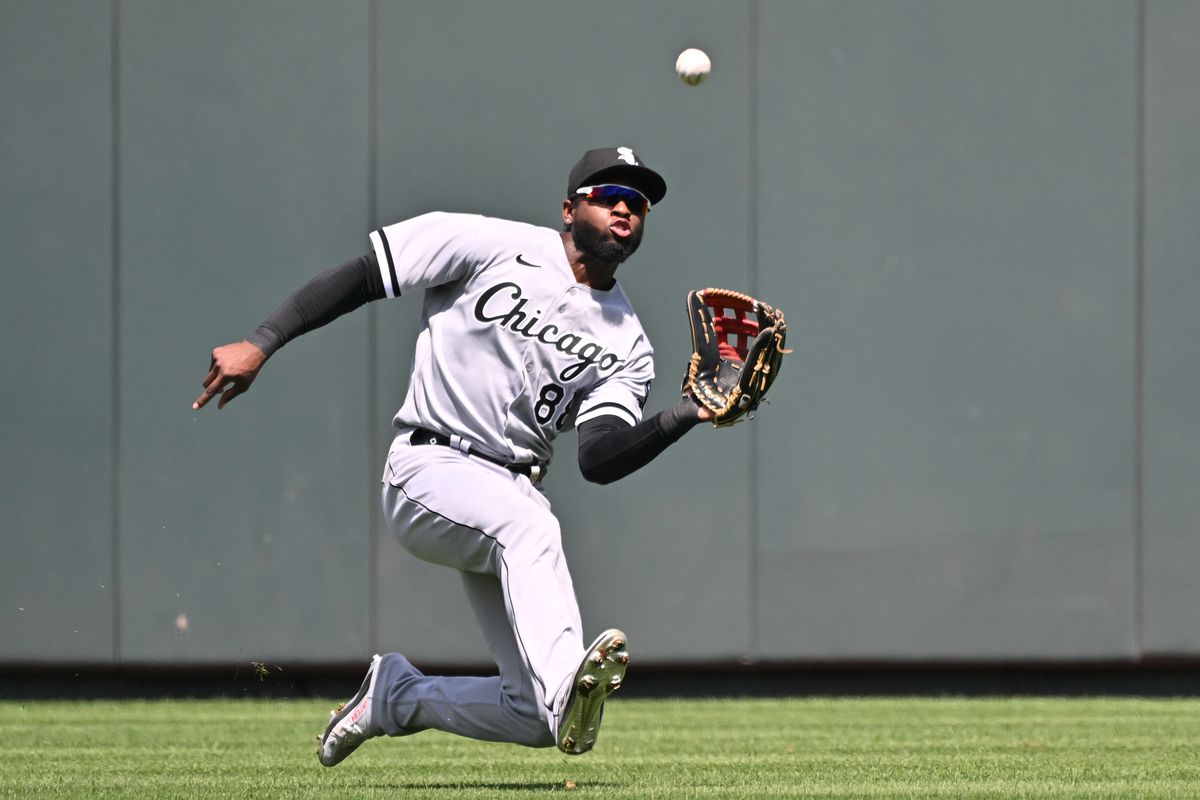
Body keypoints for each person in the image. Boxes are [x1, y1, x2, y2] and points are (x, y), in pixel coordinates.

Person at [193, 147, 712, 765]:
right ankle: (568, 677)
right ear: (570, 209)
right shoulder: (488, 243)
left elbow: (598, 458)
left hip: (509, 493)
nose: (625, 209)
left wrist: (687, 414)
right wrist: (263, 341)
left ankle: (399, 698)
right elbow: (363, 276)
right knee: (532, 530)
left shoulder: (628, 342)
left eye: (639, 202)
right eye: (609, 196)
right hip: (429, 467)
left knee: (537, 717)